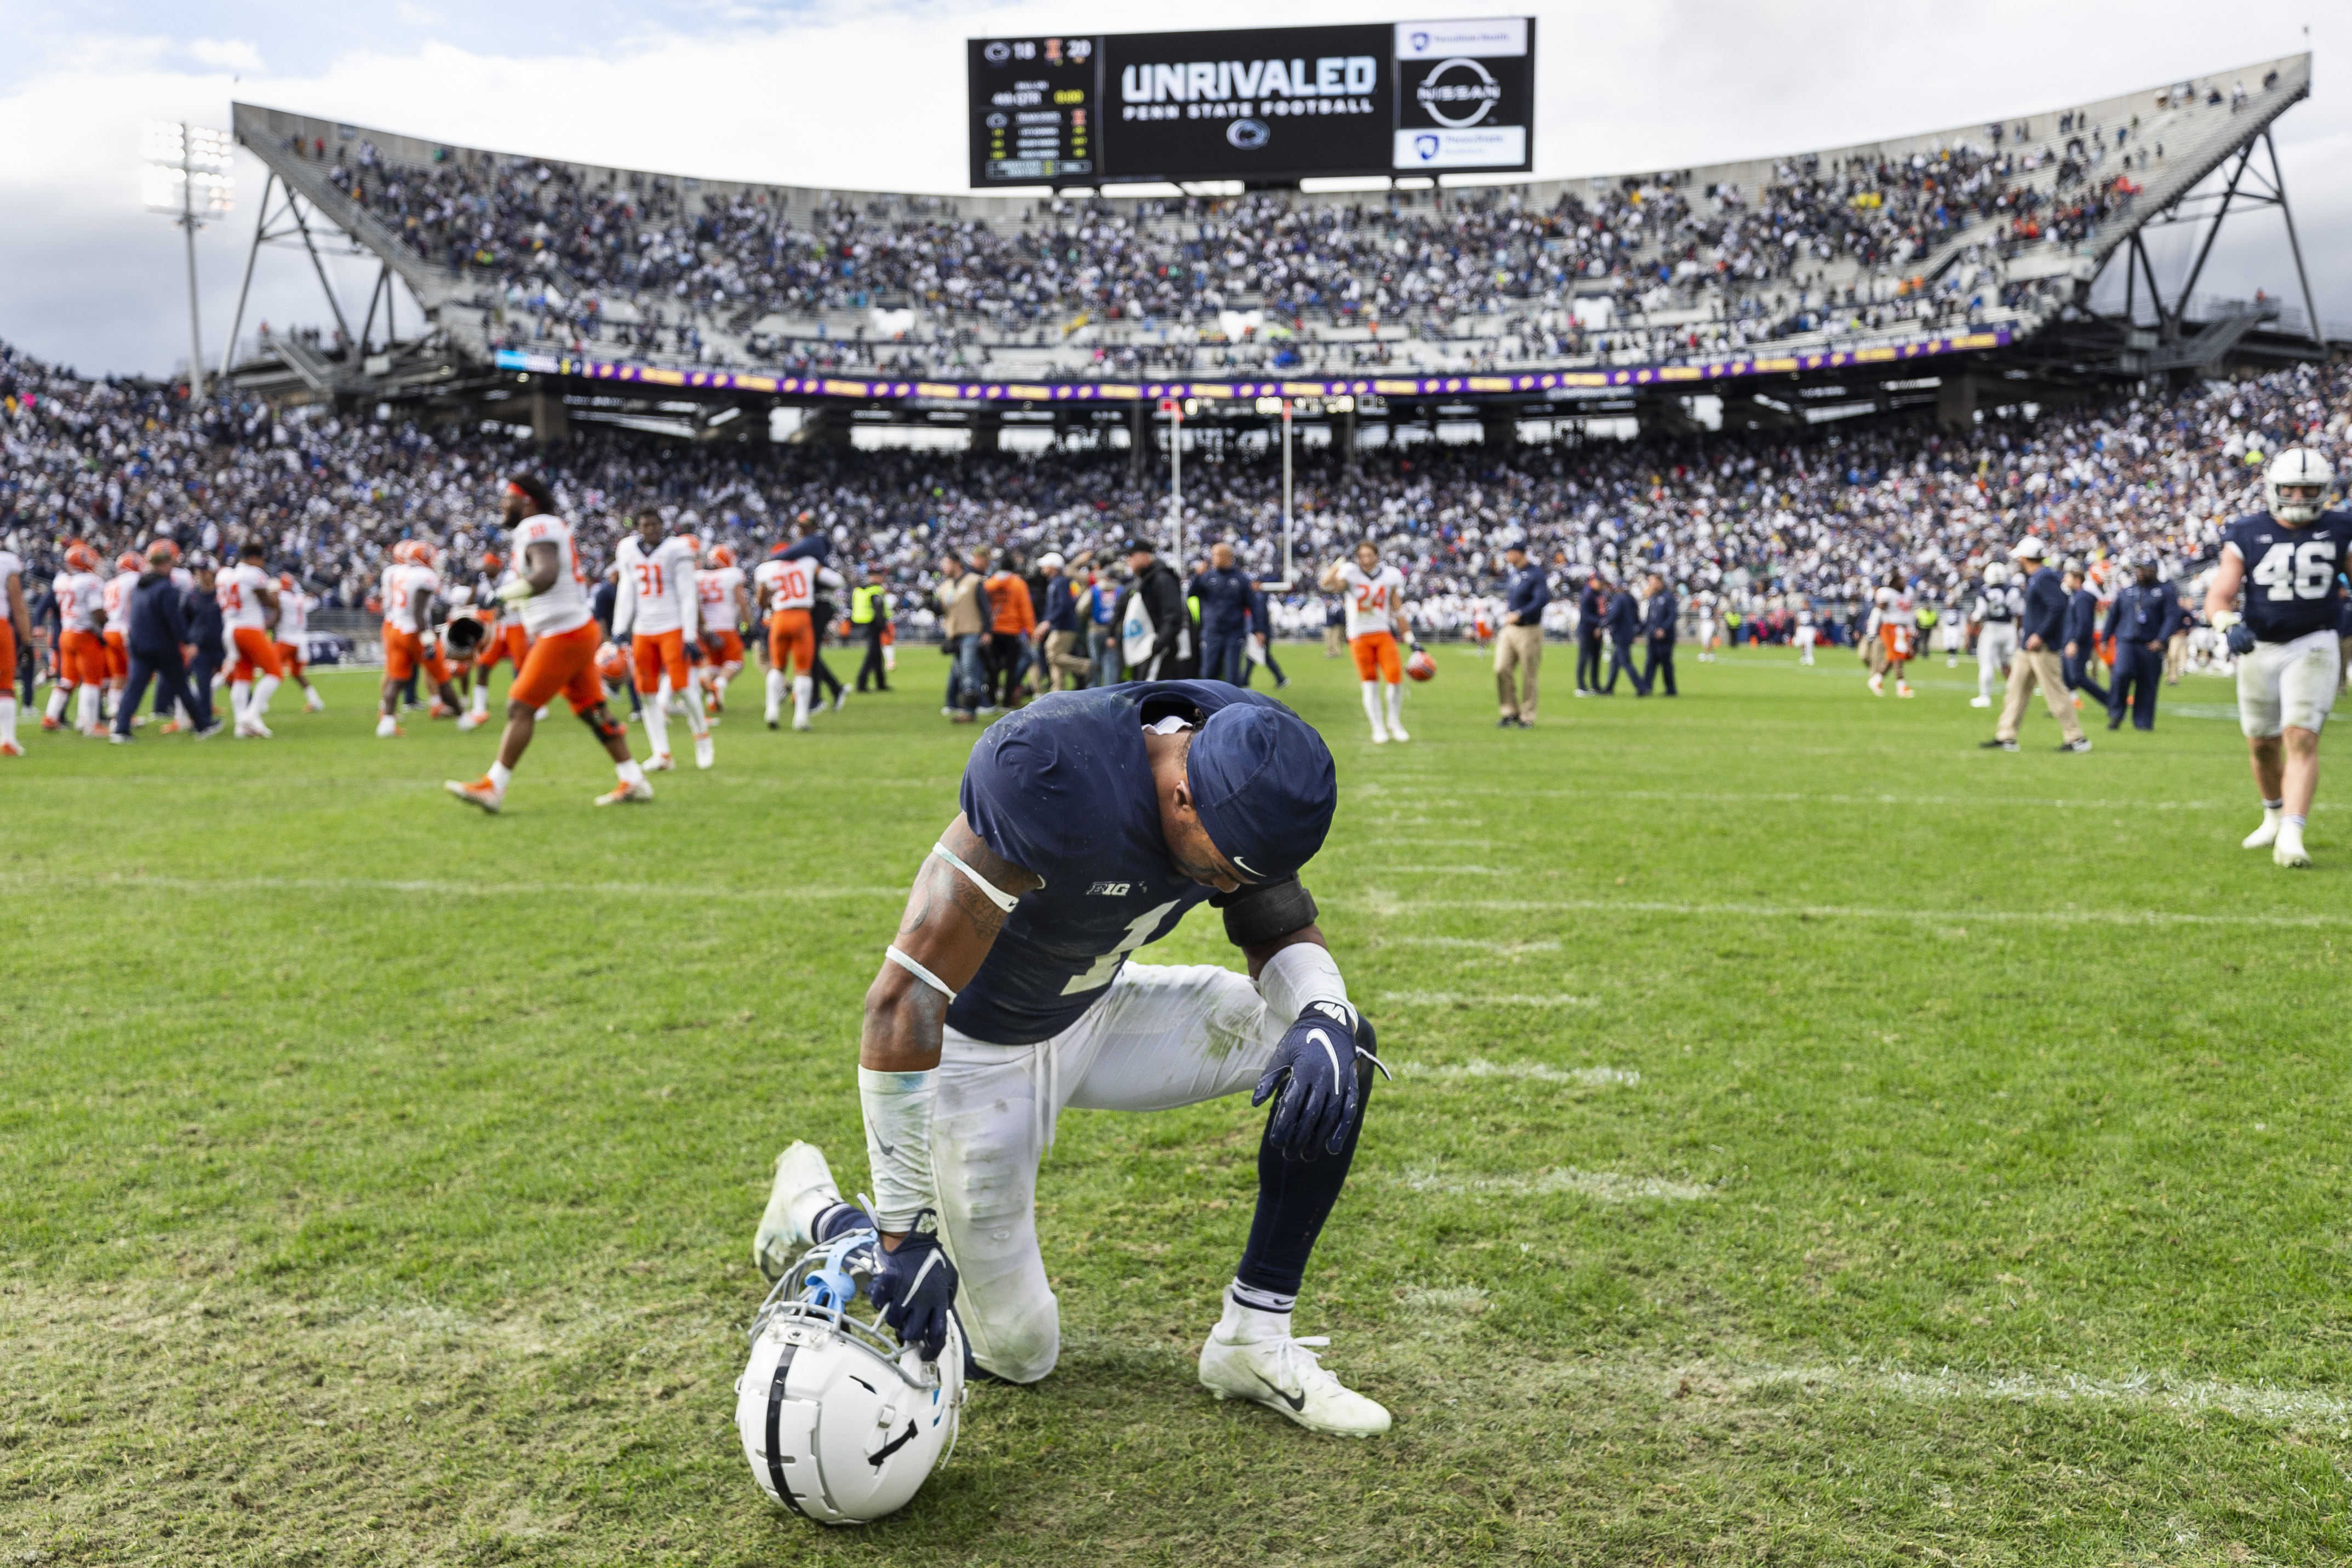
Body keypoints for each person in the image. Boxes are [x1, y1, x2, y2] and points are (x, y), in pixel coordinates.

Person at [751, 679, 1390, 1435]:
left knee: (1336, 1044)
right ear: (1183, 793)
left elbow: (1272, 925)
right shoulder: (1049, 772)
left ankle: (1252, 1337)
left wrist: (1321, 1010)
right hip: (978, 1055)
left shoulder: (1250, 751)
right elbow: (903, 1000)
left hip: (1099, 1010)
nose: (1226, 889)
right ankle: (828, 1216)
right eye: (1220, 869)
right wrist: (903, 1231)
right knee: (1019, 1351)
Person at [445, 475, 653, 812]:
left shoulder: (537, 526)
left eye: (508, 499)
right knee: (592, 710)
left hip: (564, 632)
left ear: (527, 502)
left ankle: (494, 787)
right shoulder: (543, 527)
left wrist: (499, 597)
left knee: (520, 706)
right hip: (571, 628)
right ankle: (634, 778)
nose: (502, 505)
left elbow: (545, 576)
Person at [2202, 448, 2349, 868]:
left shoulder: (2341, 527)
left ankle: (2292, 831)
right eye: (2291, 488)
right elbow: (2219, 594)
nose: (2299, 497)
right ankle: (2272, 816)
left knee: (2301, 737)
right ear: (2273, 489)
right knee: (2262, 744)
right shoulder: (2247, 531)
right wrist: (2227, 623)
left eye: (2309, 490)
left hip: (2314, 642)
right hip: (2259, 645)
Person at [615, 509, 713, 770]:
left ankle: (702, 737)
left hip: (672, 625)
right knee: (646, 693)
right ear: (637, 526)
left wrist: (690, 635)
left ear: (663, 525)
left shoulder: (676, 549)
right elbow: (627, 590)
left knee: (682, 687)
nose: (651, 529)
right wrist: (619, 628)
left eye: (655, 524)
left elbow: (687, 592)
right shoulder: (627, 549)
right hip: (643, 629)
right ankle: (662, 753)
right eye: (645, 524)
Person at [1981, 537, 2090, 753]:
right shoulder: (2040, 577)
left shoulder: (2043, 578)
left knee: (2055, 693)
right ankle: (2006, 735)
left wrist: (2040, 635)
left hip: (2042, 647)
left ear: (2024, 557)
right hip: (2029, 647)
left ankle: (2077, 738)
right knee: (2015, 690)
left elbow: (2057, 607)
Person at [112, 542, 217, 743]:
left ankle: (120, 729)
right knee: (181, 685)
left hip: (138, 645)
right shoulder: (165, 588)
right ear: (164, 565)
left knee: (135, 687)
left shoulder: (140, 587)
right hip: (162, 646)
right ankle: (202, 725)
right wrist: (187, 642)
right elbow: (174, 619)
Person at [1319, 540, 1411, 742]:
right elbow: (1326, 584)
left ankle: (1394, 722)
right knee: (1370, 683)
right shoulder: (1350, 573)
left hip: (1382, 632)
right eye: (1362, 556)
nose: (1366, 560)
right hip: (1359, 635)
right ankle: (1378, 727)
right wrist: (1338, 564)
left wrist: (1410, 638)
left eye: (1370, 555)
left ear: (1377, 556)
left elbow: (1398, 609)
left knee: (1395, 678)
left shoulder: (1390, 576)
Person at [754, 537, 844, 733]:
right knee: (803, 670)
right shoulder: (807, 563)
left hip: (779, 618)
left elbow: (760, 599)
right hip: (802, 617)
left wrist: (773, 601)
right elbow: (837, 581)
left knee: (777, 667)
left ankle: (772, 711)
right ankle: (801, 718)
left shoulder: (767, 568)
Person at [376, 541, 461, 738]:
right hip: (408, 626)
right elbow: (418, 611)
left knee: (398, 674)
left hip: (395, 623)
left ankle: (394, 712)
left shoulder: (398, 573)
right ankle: (459, 715)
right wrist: (427, 638)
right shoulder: (416, 575)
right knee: (433, 672)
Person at [2101, 554, 2179, 731]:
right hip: (2127, 641)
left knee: (2147, 683)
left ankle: (2143, 722)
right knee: (2120, 675)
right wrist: (2106, 637)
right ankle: (2116, 714)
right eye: (2137, 568)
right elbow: (2114, 616)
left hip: (2151, 644)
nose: (2139, 572)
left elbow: (2172, 617)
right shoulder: (2127, 591)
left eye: (2143, 568)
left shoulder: (2166, 592)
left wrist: (2161, 639)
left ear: (2154, 570)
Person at [219, 541, 286, 739]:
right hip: (249, 629)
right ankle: (251, 714)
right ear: (254, 558)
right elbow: (270, 602)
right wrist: (275, 593)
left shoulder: (228, 575)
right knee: (275, 672)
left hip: (231, 629)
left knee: (242, 676)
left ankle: (241, 726)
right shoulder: (252, 574)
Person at [1120, 539, 1190, 682]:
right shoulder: (1148, 579)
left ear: (1144, 556)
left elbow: (1173, 615)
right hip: (1156, 645)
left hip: (1164, 648)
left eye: (1131, 556)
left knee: (1149, 691)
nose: (1128, 560)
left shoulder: (1162, 578)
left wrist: (1159, 643)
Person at [1493, 541, 1547, 726]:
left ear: (1519, 553)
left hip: (1529, 629)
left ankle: (1527, 716)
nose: (1507, 556)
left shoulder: (1536, 574)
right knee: (1501, 669)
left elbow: (1542, 599)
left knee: (1529, 674)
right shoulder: (1514, 573)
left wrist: (1521, 613)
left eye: (1510, 552)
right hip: (1510, 629)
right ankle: (1510, 712)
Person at [932, 550, 990, 722]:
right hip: (954, 635)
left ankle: (970, 711)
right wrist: (930, 603)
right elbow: (941, 611)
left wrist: (988, 631)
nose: (943, 568)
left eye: (946, 564)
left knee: (969, 670)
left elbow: (985, 608)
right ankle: (969, 704)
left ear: (956, 563)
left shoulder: (974, 581)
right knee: (961, 670)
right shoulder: (945, 586)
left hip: (972, 632)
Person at [695, 543, 751, 713]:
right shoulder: (731, 575)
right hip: (725, 627)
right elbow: (742, 602)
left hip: (704, 628)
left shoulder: (698, 576)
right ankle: (718, 686)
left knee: (714, 665)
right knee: (736, 662)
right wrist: (747, 623)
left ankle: (710, 695)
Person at [1190, 541, 1253, 685]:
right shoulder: (1207, 577)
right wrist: (1197, 576)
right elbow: (1191, 594)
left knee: (1232, 676)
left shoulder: (1240, 579)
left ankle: (1233, 706)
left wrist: (1259, 629)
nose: (1213, 558)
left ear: (1226, 557)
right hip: (1211, 633)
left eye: (1215, 555)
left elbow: (1252, 604)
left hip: (1234, 633)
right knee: (1208, 674)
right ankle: (1208, 706)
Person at [1034, 552, 1092, 692]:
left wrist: (1048, 621)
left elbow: (1064, 605)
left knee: (1054, 656)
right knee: (1054, 658)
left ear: (1054, 567)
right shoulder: (1056, 582)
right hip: (1061, 626)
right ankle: (1057, 691)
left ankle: (1086, 666)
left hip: (1063, 627)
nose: (1043, 568)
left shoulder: (1060, 582)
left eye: (1046, 565)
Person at [2059, 562, 2112, 713]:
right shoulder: (2078, 596)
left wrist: (2075, 641)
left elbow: (2084, 623)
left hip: (2078, 643)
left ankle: (2109, 700)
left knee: (2078, 677)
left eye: (2068, 577)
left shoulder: (2083, 597)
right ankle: (2063, 707)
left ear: (2077, 580)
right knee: (2067, 677)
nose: (2065, 580)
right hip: (2071, 641)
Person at [1967, 561, 2021, 708]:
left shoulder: (1985, 591)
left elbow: (1979, 614)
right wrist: (2017, 632)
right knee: (2007, 665)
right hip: (2009, 629)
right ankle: (2017, 694)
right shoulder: (2013, 590)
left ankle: (1985, 696)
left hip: (1992, 629)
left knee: (1986, 664)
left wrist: (1971, 632)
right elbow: (2019, 612)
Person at [272, 570, 325, 714]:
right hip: (301, 641)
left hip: (287, 640)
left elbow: (274, 604)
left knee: (271, 669)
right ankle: (315, 701)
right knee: (296, 674)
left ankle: (260, 703)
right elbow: (313, 603)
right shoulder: (301, 599)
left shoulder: (282, 597)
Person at [101, 551, 141, 726]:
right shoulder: (134, 579)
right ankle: (123, 713)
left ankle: (115, 713)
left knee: (118, 675)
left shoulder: (111, 583)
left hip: (109, 629)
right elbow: (134, 605)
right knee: (134, 676)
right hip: (125, 630)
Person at [0, 536, 28, 754]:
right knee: (5, 685)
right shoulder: (7, 560)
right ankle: (7, 740)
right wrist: (27, 641)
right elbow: (18, 604)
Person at [1867, 578, 1915, 698]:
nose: (1904, 583)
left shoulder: (1908, 592)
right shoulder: (1887, 593)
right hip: (1890, 628)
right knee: (1897, 656)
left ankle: (1876, 680)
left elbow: (1909, 612)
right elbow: (1878, 610)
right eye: (1901, 581)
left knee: (1893, 657)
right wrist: (1872, 630)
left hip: (1902, 629)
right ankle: (1902, 686)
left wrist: (1912, 628)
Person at [851, 566, 893, 693]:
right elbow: (879, 610)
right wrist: (884, 627)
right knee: (872, 655)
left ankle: (881, 682)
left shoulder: (860, 589)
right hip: (873, 624)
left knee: (877, 655)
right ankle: (861, 683)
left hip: (863, 624)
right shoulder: (875, 590)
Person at [1602, 576, 1646, 696]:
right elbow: (1637, 619)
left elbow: (1615, 614)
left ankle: (1642, 687)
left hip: (1620, 635)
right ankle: (1609, 688)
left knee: (1626, 663)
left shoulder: (1619, 598)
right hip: (1628, 635)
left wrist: (1604, 623)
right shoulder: (1631, 599)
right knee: (1615, 663)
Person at [1641, 572, 1679, 697]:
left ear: (1660, 582)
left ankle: (1671, 690)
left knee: (1666, 664)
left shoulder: (1668, 597)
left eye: (1653, 582)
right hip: (1652, 637)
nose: (1651, 585)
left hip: (1665, 638)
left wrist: (1663, 629)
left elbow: (1673, 615)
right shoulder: (1652, 598)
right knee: (1650, 663)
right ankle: (1646, 688)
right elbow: (1649, 617)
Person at [1574, 569, 1609, 694]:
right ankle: (1581, 686)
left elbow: (1602, 611)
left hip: (1597, 631)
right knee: (1584, 658)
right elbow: (1586, 615)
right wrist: (1600, 622)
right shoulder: (1588, 594)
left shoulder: (1600, 594)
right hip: (1587, 631)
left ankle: (1595, 685)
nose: (1601, 584)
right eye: (1599, 581)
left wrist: (1601, 624)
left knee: (1596, 658)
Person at [1794, 600, 1817, 665]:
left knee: (1809, 642)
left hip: (1809, 627)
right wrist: (1796, 631)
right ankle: (1803, 656)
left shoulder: (1811, 611)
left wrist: (1814, 616)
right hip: (1801, 628)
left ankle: (1809, 657)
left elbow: (1815, 619)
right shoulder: (1800, 612)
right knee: (1802, 643)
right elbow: (1797, 621)